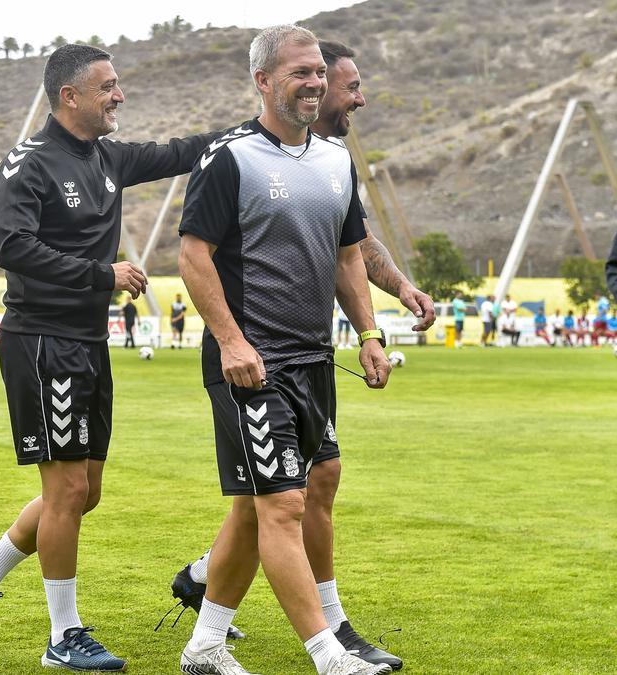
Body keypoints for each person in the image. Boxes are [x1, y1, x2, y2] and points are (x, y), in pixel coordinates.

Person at [0, 43, 223, 672]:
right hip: (42, 341)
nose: (119, 95)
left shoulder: (109, 158)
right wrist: (102, 274)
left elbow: (181, 150)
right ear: (71, 96)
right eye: (108, 86)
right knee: (66, 488)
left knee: (83, 492)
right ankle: (62, 636)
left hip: (88, 344)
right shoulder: (27, 165)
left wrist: (255, 129)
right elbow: (12, 248)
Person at [168, 39, 421, 673]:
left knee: (265, 506)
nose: (313, 84)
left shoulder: (335, 160)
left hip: (312, 362)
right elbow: (193, 256)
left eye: (317, 73)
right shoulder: (230, 158)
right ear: (263, 80)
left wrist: (368, 333)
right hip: (251, 364)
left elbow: (346, 256)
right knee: (283, 503)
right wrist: (230, 339)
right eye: (299, 73)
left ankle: (203, 646)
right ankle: (328, 654)